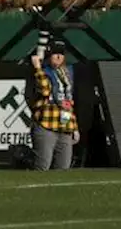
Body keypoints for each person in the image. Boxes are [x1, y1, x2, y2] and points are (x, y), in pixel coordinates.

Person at [28, 40, 78, 171]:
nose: (59, 56)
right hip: (46, 125)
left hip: (65, 126)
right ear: (49, 55)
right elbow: (45, 90)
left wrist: (75, 127)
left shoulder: (66, 74)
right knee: (42, 165)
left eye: (61, 54)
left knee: (63, 167)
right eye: (55, 53)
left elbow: (69, 101)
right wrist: (37, 67)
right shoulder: (42, 72)